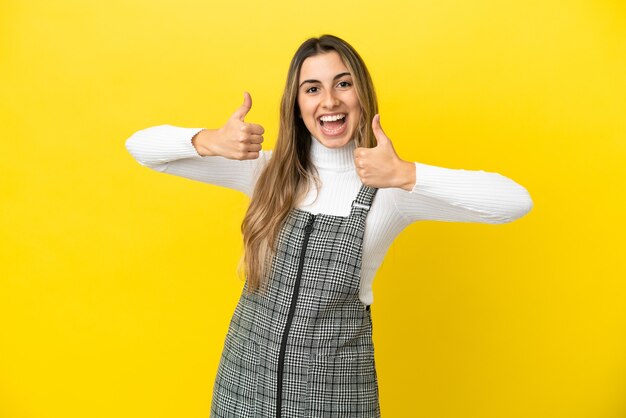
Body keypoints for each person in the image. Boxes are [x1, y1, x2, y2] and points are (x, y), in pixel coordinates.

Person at [125, 34, 533, 418]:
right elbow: (141, 147)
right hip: (243, 385)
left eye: (343, 83)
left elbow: (514, 202)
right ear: (297, 105)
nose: (329, 100)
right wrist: (209, 140)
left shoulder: (390, 189)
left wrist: (407, 173)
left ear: (362, 95)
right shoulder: (264, 172)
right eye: (313, 88)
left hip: (336, 396)